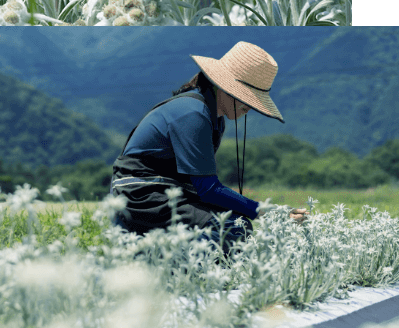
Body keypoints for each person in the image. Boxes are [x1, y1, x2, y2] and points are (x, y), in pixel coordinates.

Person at [110, 41, 308, 258]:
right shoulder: (193, 113)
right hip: (141, 196)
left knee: (238, 225)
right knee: (232, 228)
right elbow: (208, 188)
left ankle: (155, 256)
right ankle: (161, 261)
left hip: (164, 194)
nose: (249, 107)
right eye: (247, 98)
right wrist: (269, 212)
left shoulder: (212, 116)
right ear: (225, 87)